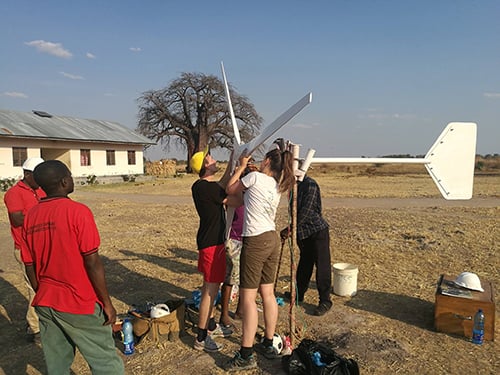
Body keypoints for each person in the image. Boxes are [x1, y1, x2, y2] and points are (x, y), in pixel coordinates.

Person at [20, 160, 124, 374]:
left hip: (47, 301)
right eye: (70, 175)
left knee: (57, 365)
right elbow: (92, 260)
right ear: (64, 181)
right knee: (106, 363)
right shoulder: (78, 211)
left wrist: (43, 292)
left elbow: (29, 264)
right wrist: (107, 303)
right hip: (79, 302)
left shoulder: (31, 215)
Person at [224, 139, 296, 371]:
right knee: (268, 292)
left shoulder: (254, 177)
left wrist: (241, 167)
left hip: (255, 240)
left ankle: (246, 353)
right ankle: (267, 341)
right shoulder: (276, 184)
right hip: (272, 238)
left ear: (266, 161)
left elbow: (230, 189)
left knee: (247, 298)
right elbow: (242, 198)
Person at [190, 146, 240, 352]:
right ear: (205, 166)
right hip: (212, 244)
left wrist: (232, 162)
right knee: (209, 291)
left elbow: (222, 184)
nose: (213, 159)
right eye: (209, 158)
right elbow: (230, 191)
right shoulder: (209, 189)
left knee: (210, 287)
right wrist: (241, 167)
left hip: (208, 242)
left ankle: (210, 325)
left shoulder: (200, 187)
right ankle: (201, 337)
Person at [3, 157, 46, 342]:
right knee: (34, 287)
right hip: (26, 248)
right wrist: (43, 215)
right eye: (38, 175)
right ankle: (35, 327)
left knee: (44, 286)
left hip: (43, 246)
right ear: (27, 174)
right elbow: (17, 219)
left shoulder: (41, 189)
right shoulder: (14, 193)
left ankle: (40, 322)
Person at [282, 175, 332, 316]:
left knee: (322, 266)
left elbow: (306, 213)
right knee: (304, 264)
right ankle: (299, 294)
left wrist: (290, 228)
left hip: (316, 231)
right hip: (303, 233)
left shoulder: (310, 185)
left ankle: (325, 300)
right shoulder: (293, 185)